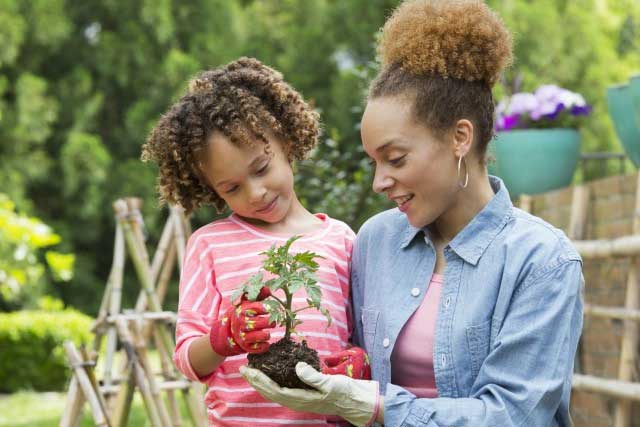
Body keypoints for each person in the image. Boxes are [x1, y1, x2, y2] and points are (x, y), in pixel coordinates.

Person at [240, 1, 584, 426]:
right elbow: (361, 368)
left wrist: (378, 407)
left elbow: (514, 414)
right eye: (374, 163)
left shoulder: (542, 260)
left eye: (396, 159)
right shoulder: (377, 241)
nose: (379, 181)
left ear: (460, 137)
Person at [142, 57, 370, 427]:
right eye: (231, 188)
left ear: (286, 141)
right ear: (211, 189)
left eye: (261, 168)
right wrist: (221, 339)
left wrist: (359, 361)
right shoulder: (209, 246)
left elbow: (367, 335)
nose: (256, 192)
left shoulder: (343, 240)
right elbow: (186, 358)